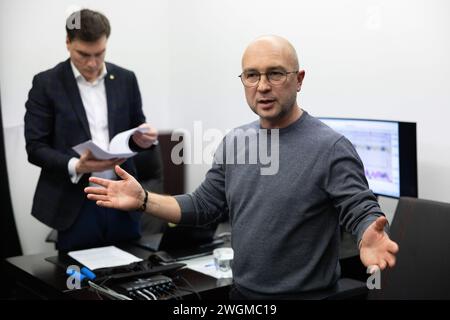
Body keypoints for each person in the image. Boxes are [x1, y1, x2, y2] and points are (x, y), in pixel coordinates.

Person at [84, 35, 399, 299]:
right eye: (252, 75)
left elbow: (359, 206)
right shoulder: (236, 141)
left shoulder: (330, 147)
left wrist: (367, 232)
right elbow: (202, 205)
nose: (262, 86)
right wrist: (143, 200)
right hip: (242, 296)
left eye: (275, 74)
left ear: (299, 80)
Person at [24, 9, 158, 251]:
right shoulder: (46, 84)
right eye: (83, 54)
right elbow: (35, 148)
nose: (92, 63)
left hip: (122, 198)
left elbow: (137, 131)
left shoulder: (126, 79)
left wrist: (144, 139)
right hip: (76, 204)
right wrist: (76, 165)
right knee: (78, 284)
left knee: (129, 275)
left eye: (99, 54)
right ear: (68, 43)